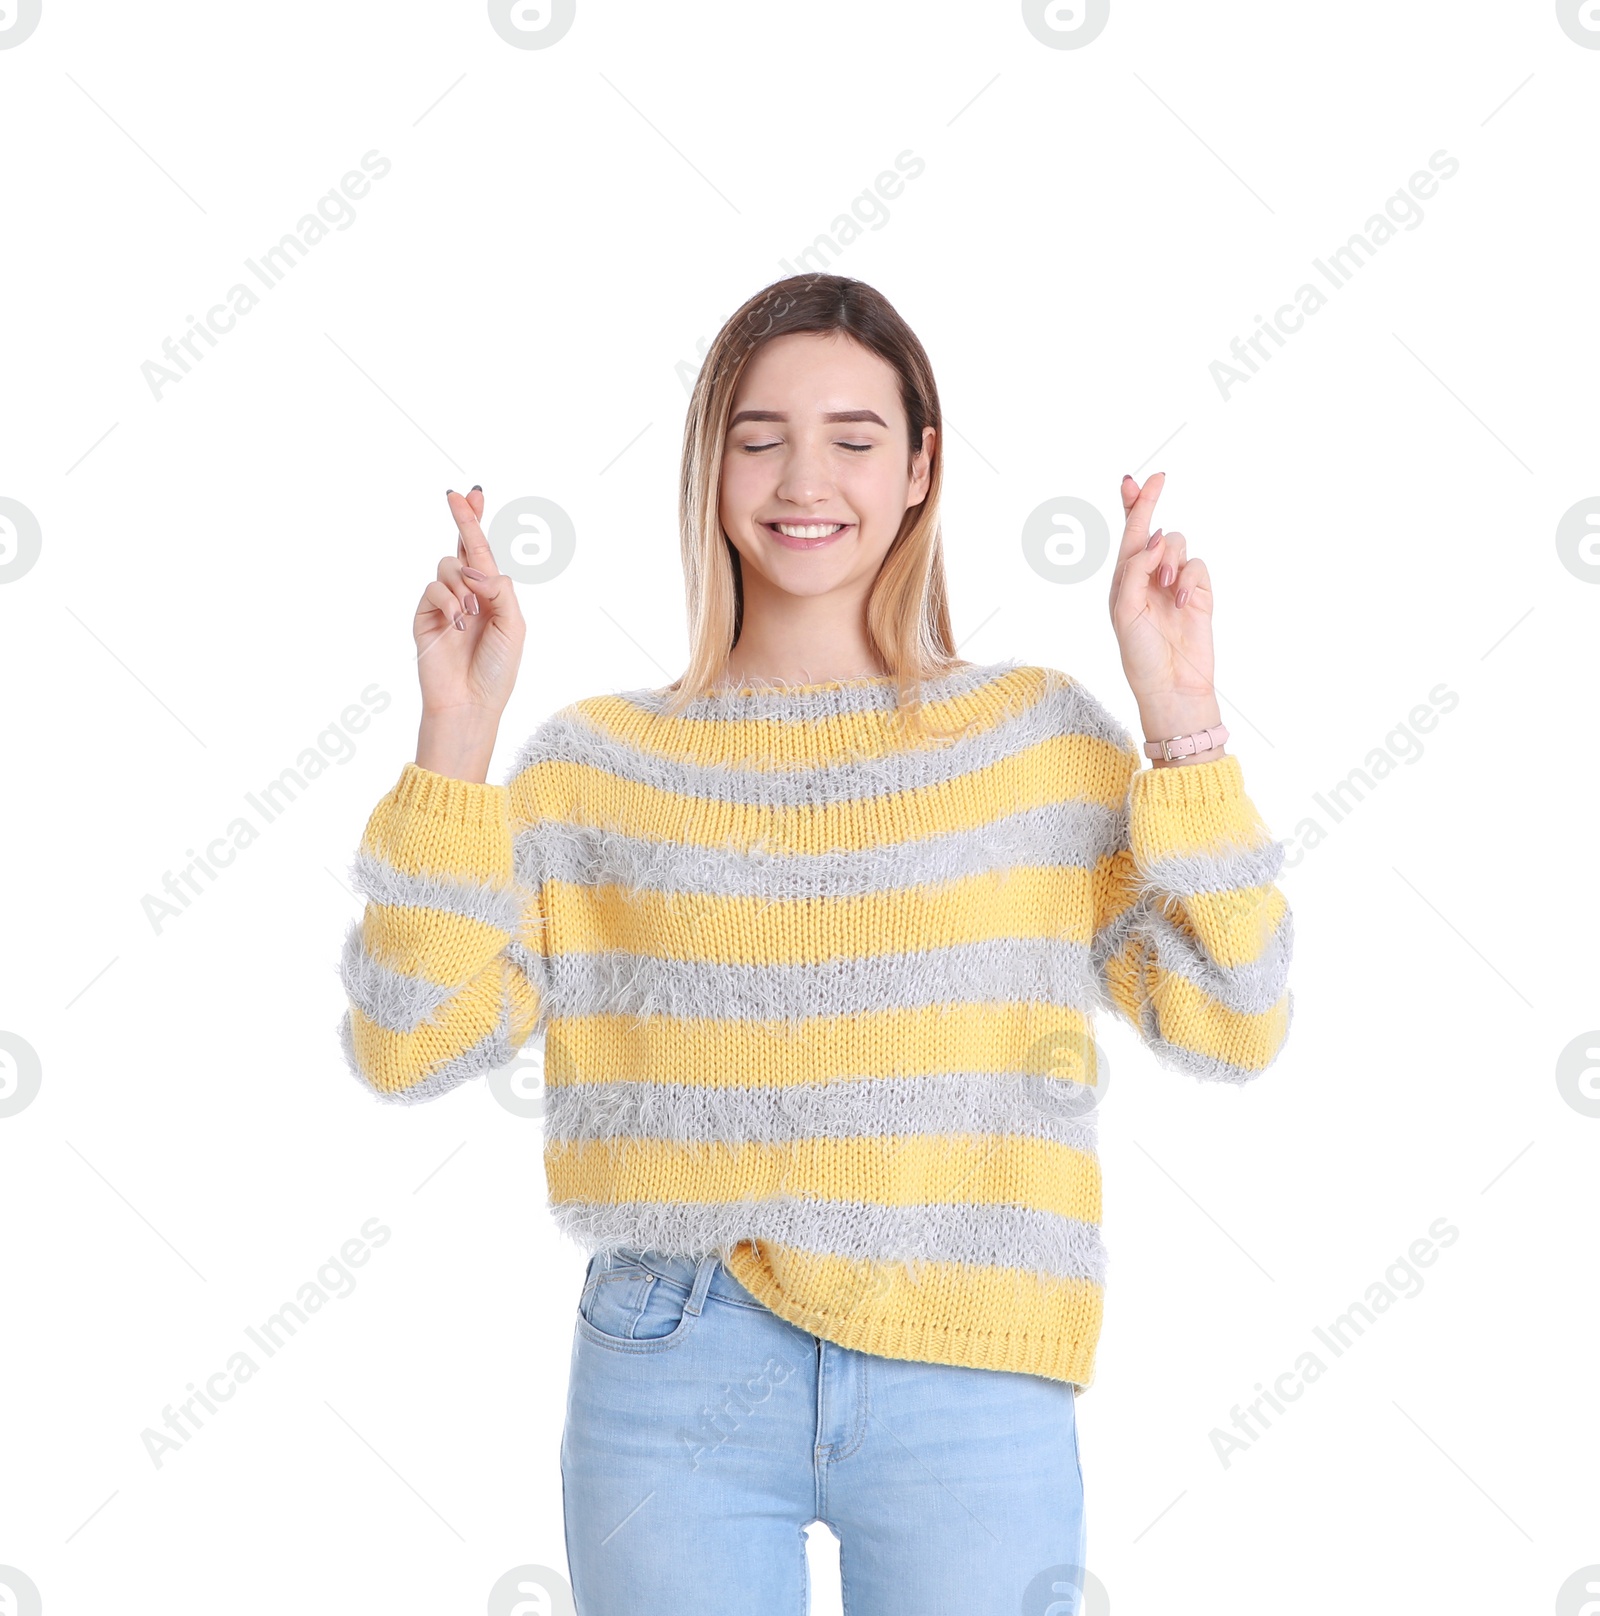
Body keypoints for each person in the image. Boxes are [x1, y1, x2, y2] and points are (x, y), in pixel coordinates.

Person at [335, 273, 1293, 1613]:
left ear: (920, 469)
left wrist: (1181, 715)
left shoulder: (1034, 741)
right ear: (710, 466)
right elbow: (405, 1041)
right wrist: (456, 740)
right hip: (672, 1364)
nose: (805, 478)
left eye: (853, 437)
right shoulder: (596, 766)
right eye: (759, 434)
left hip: (974, 1361)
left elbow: (1232, 1016)